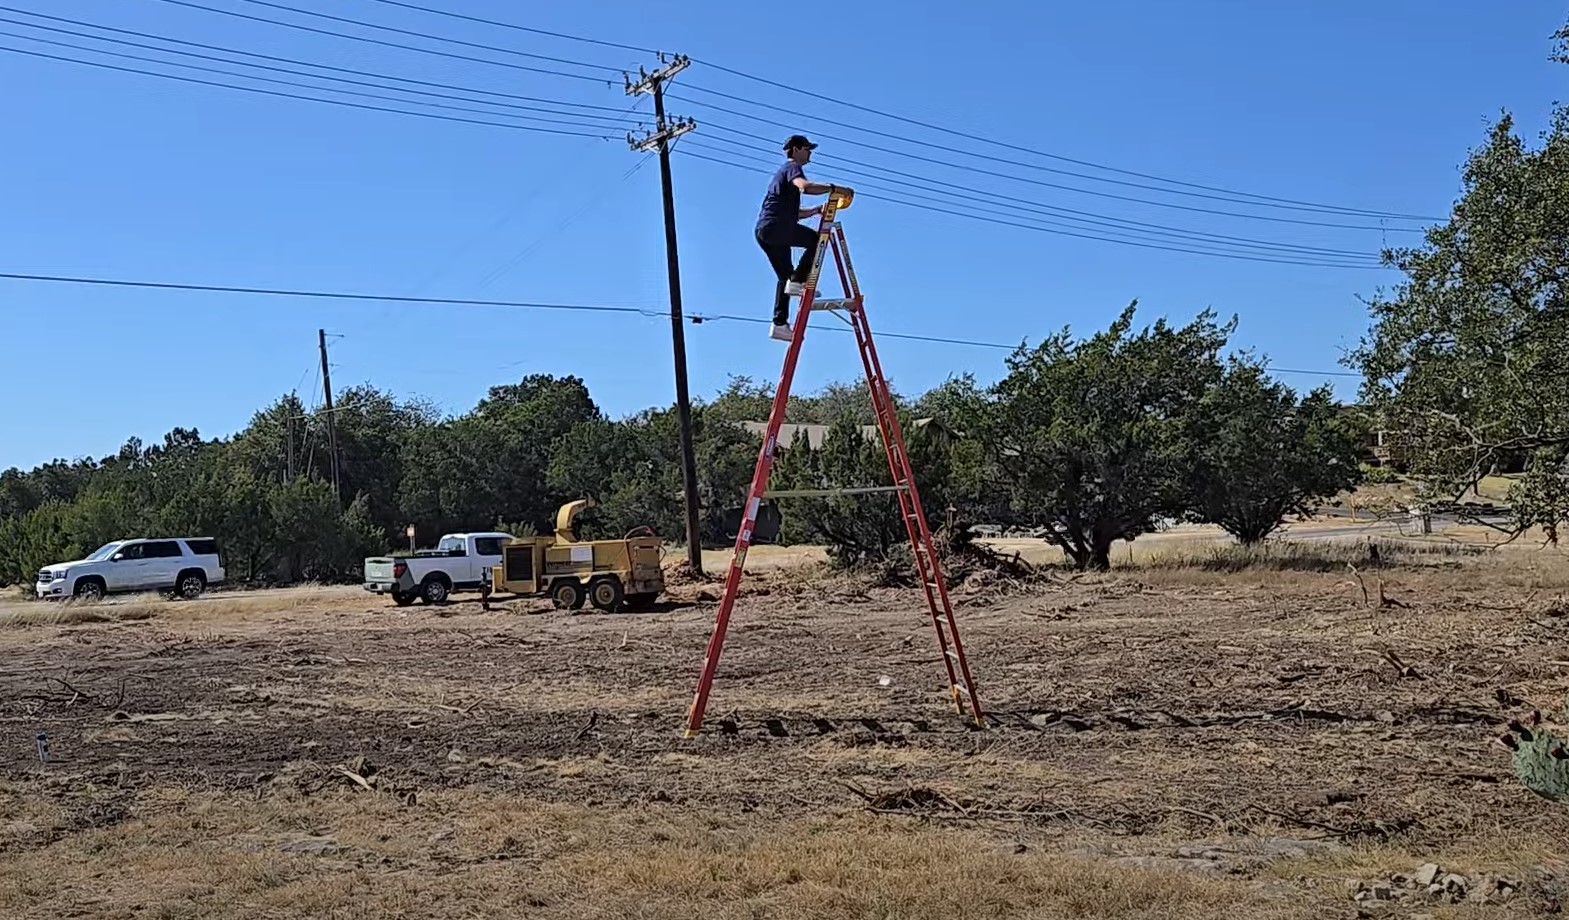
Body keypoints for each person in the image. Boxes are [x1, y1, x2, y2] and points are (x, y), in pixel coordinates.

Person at [755, 134, 852, 341]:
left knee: (785, 277)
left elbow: (793, 213)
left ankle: (779, 324)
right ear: (797, 149)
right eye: (807, 149)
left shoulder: (780, 175)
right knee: (817, 241)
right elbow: (805, 187)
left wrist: (816, 210)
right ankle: (799, 281)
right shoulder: (792, 168)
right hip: (776, 227)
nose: (810, 153)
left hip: (766, 230)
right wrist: (835, 189)